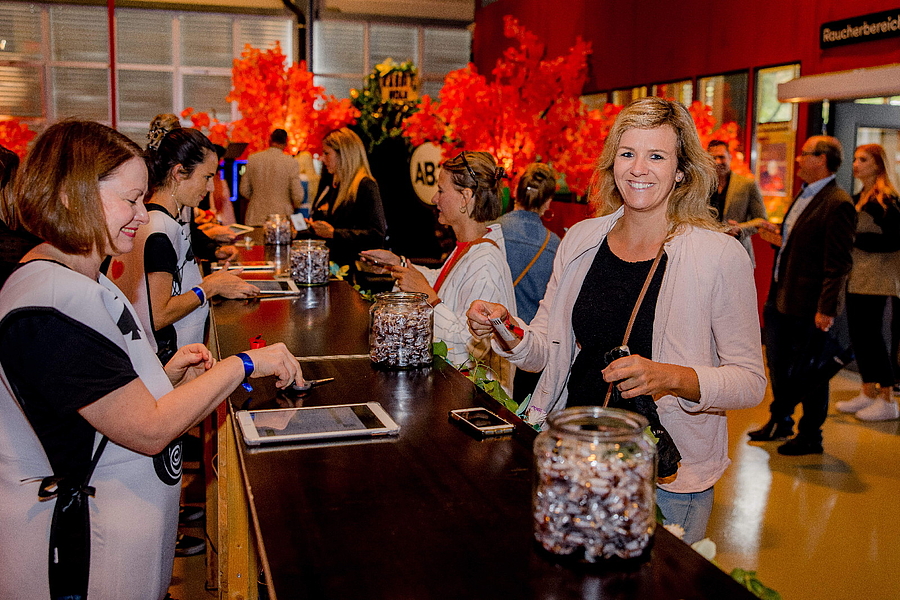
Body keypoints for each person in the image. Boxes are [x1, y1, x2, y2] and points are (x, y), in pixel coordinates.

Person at [0, 119, 302, 600]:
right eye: (131, 199)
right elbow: (147, 428)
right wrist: (243, 365)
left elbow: (99, 403)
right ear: (70, 198)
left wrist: (164, 377)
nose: (143, 215)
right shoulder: (50, 304)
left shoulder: (80, 281)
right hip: (80, 557)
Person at [467, 98, 766, 544]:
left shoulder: (718, 256)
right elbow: (543, 349)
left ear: (682, 170)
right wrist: (504, 326)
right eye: (628, 153)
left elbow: (750, 381)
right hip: (576, 455)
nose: (638, 169)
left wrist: (670, 376)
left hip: (664, 477)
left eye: (656, 156)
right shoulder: (582, 240)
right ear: (612, 162)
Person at [362, 151, 517, 393]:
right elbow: (446, 283)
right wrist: (398, 265)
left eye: (441, 191)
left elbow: (467, 349)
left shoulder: (486, 264)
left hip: (473, 398)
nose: (435, 199)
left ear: (465, 197)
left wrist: (428, 298)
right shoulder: (470, 247)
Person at [108, 123, 259, 361]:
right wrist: (210, 287)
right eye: (206, 177)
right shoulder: (159, 231)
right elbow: (159, 315)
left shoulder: (163, 222)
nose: (210, 187)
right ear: (179, 173)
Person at [748, 136, 857, 455]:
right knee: (779, 365)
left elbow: (838, 263)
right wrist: (778, 239)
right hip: (783, 295)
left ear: (822, 159)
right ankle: (780, 420)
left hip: (809, 304)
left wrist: (826, 309)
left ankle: (810, 435)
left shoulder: (838, 202)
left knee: (810, 371)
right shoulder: (806, 194)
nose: (798, 158)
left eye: (805, 154)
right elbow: (801, 245)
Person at [834, 144, 900, 421]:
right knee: (860, 335)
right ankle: (868, 390)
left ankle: (887, 398)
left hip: (877, 278)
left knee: (872, 336)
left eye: (863, 159)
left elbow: (894, 240)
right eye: (855, 158)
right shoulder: (859, 197)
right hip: (857, 276)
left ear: (878, 164)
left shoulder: (887, 200)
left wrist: (855, 239)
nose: (856, 164)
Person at [497, 162, 561, 403]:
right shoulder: (555, 245)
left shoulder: (492, 231)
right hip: (527, 347)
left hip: (490, 336)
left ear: (516, 191)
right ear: (547, 202)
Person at [308, 128, 388, 268]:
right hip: (338, 267)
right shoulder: (338, 185)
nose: (322, 158)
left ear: (343, 154)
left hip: (356, 270)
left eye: (327, 153)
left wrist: (334, 233)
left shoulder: (365, 185)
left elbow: (376, 235)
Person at [706, 140, 768, 264]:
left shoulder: (747, 184)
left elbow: (761, 219)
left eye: (722, 157)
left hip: (738, 251)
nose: (718, 162)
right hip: (707, 253)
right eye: (713, 158)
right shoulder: (701, 186)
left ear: (730, 157)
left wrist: (740, 229)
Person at [240, 128, 304, 226]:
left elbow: (244, 189)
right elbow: (297, 195)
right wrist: (294, 204)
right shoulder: (290, 162)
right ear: (286, 142)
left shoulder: (253, 159)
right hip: (281, 217)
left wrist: (256, 198)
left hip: (255, 215)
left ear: (270, 140)